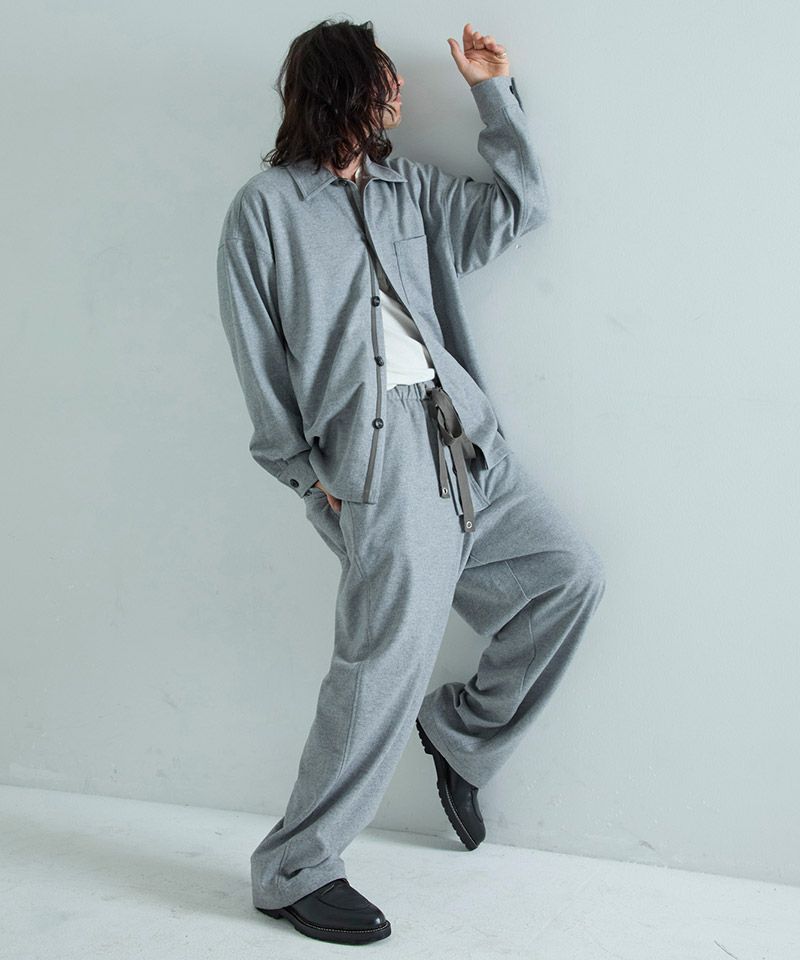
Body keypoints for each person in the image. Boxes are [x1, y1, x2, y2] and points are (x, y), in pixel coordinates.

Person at [216, 17, 606, 946]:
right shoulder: (266, 210)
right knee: (380, 665)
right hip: (379, 463)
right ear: (344, 89)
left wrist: (491, 93)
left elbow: (518, 210)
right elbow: (257, 356)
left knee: (566, 576)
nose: (398, 93)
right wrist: (307, 475)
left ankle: (463, 735)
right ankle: (295, 868)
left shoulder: (408, 188)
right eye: (384, 79)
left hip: (464, 436)